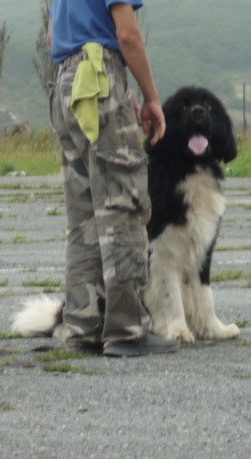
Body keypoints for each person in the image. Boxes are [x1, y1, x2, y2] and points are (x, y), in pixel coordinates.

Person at [48, 0, 179, 356]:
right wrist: (150, 97)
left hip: (64, 82)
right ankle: (126, 328)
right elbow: (127, 34)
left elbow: (53, 34)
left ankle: (81, 325)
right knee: (123, 204)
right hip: (98, 73)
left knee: (84, 218)